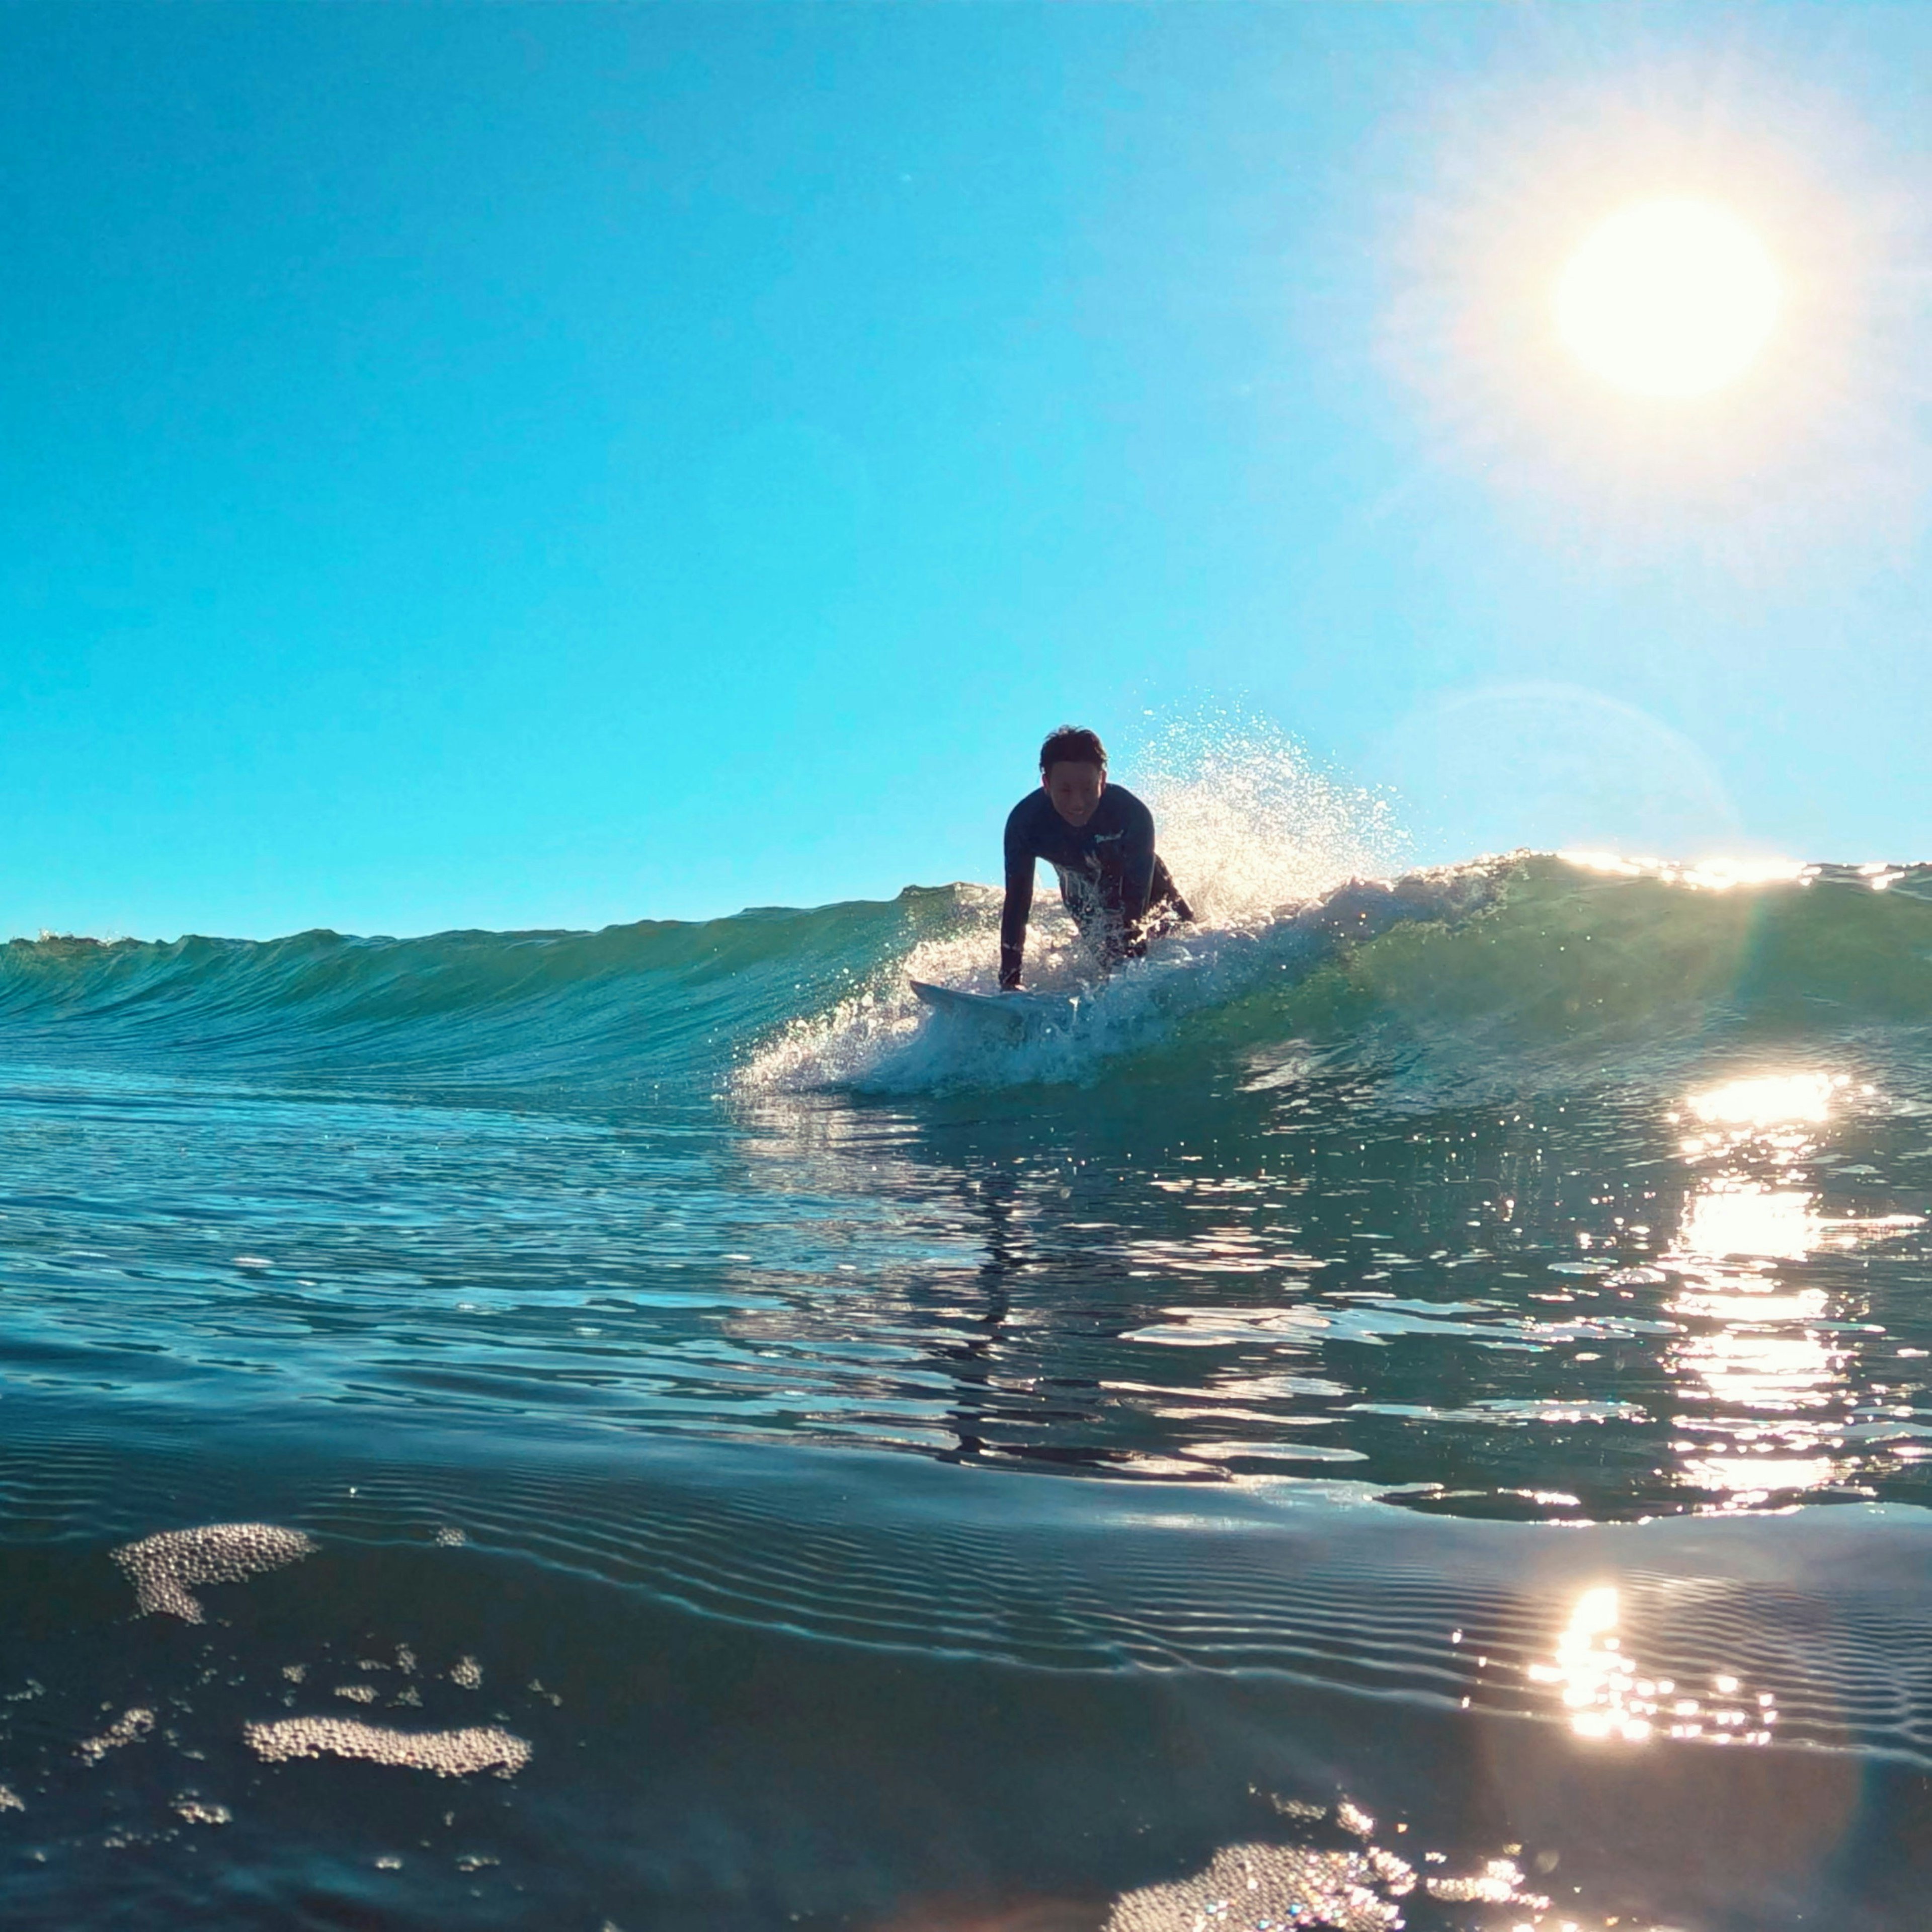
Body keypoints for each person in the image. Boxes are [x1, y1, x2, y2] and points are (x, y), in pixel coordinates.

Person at [999, 726, 1191, 990]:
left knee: (1179, 948)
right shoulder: (1026, 823)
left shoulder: (1131, 814)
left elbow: (1136, 902)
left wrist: (1131, 952)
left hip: (1148, 887)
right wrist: (1010, 980)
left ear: (1102, 780)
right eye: (1065, 791)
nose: (1077, 803)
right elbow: (1017, 904)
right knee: (1110, 968)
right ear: (1046, 784)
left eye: (1088, 789)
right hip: (1082, 896)